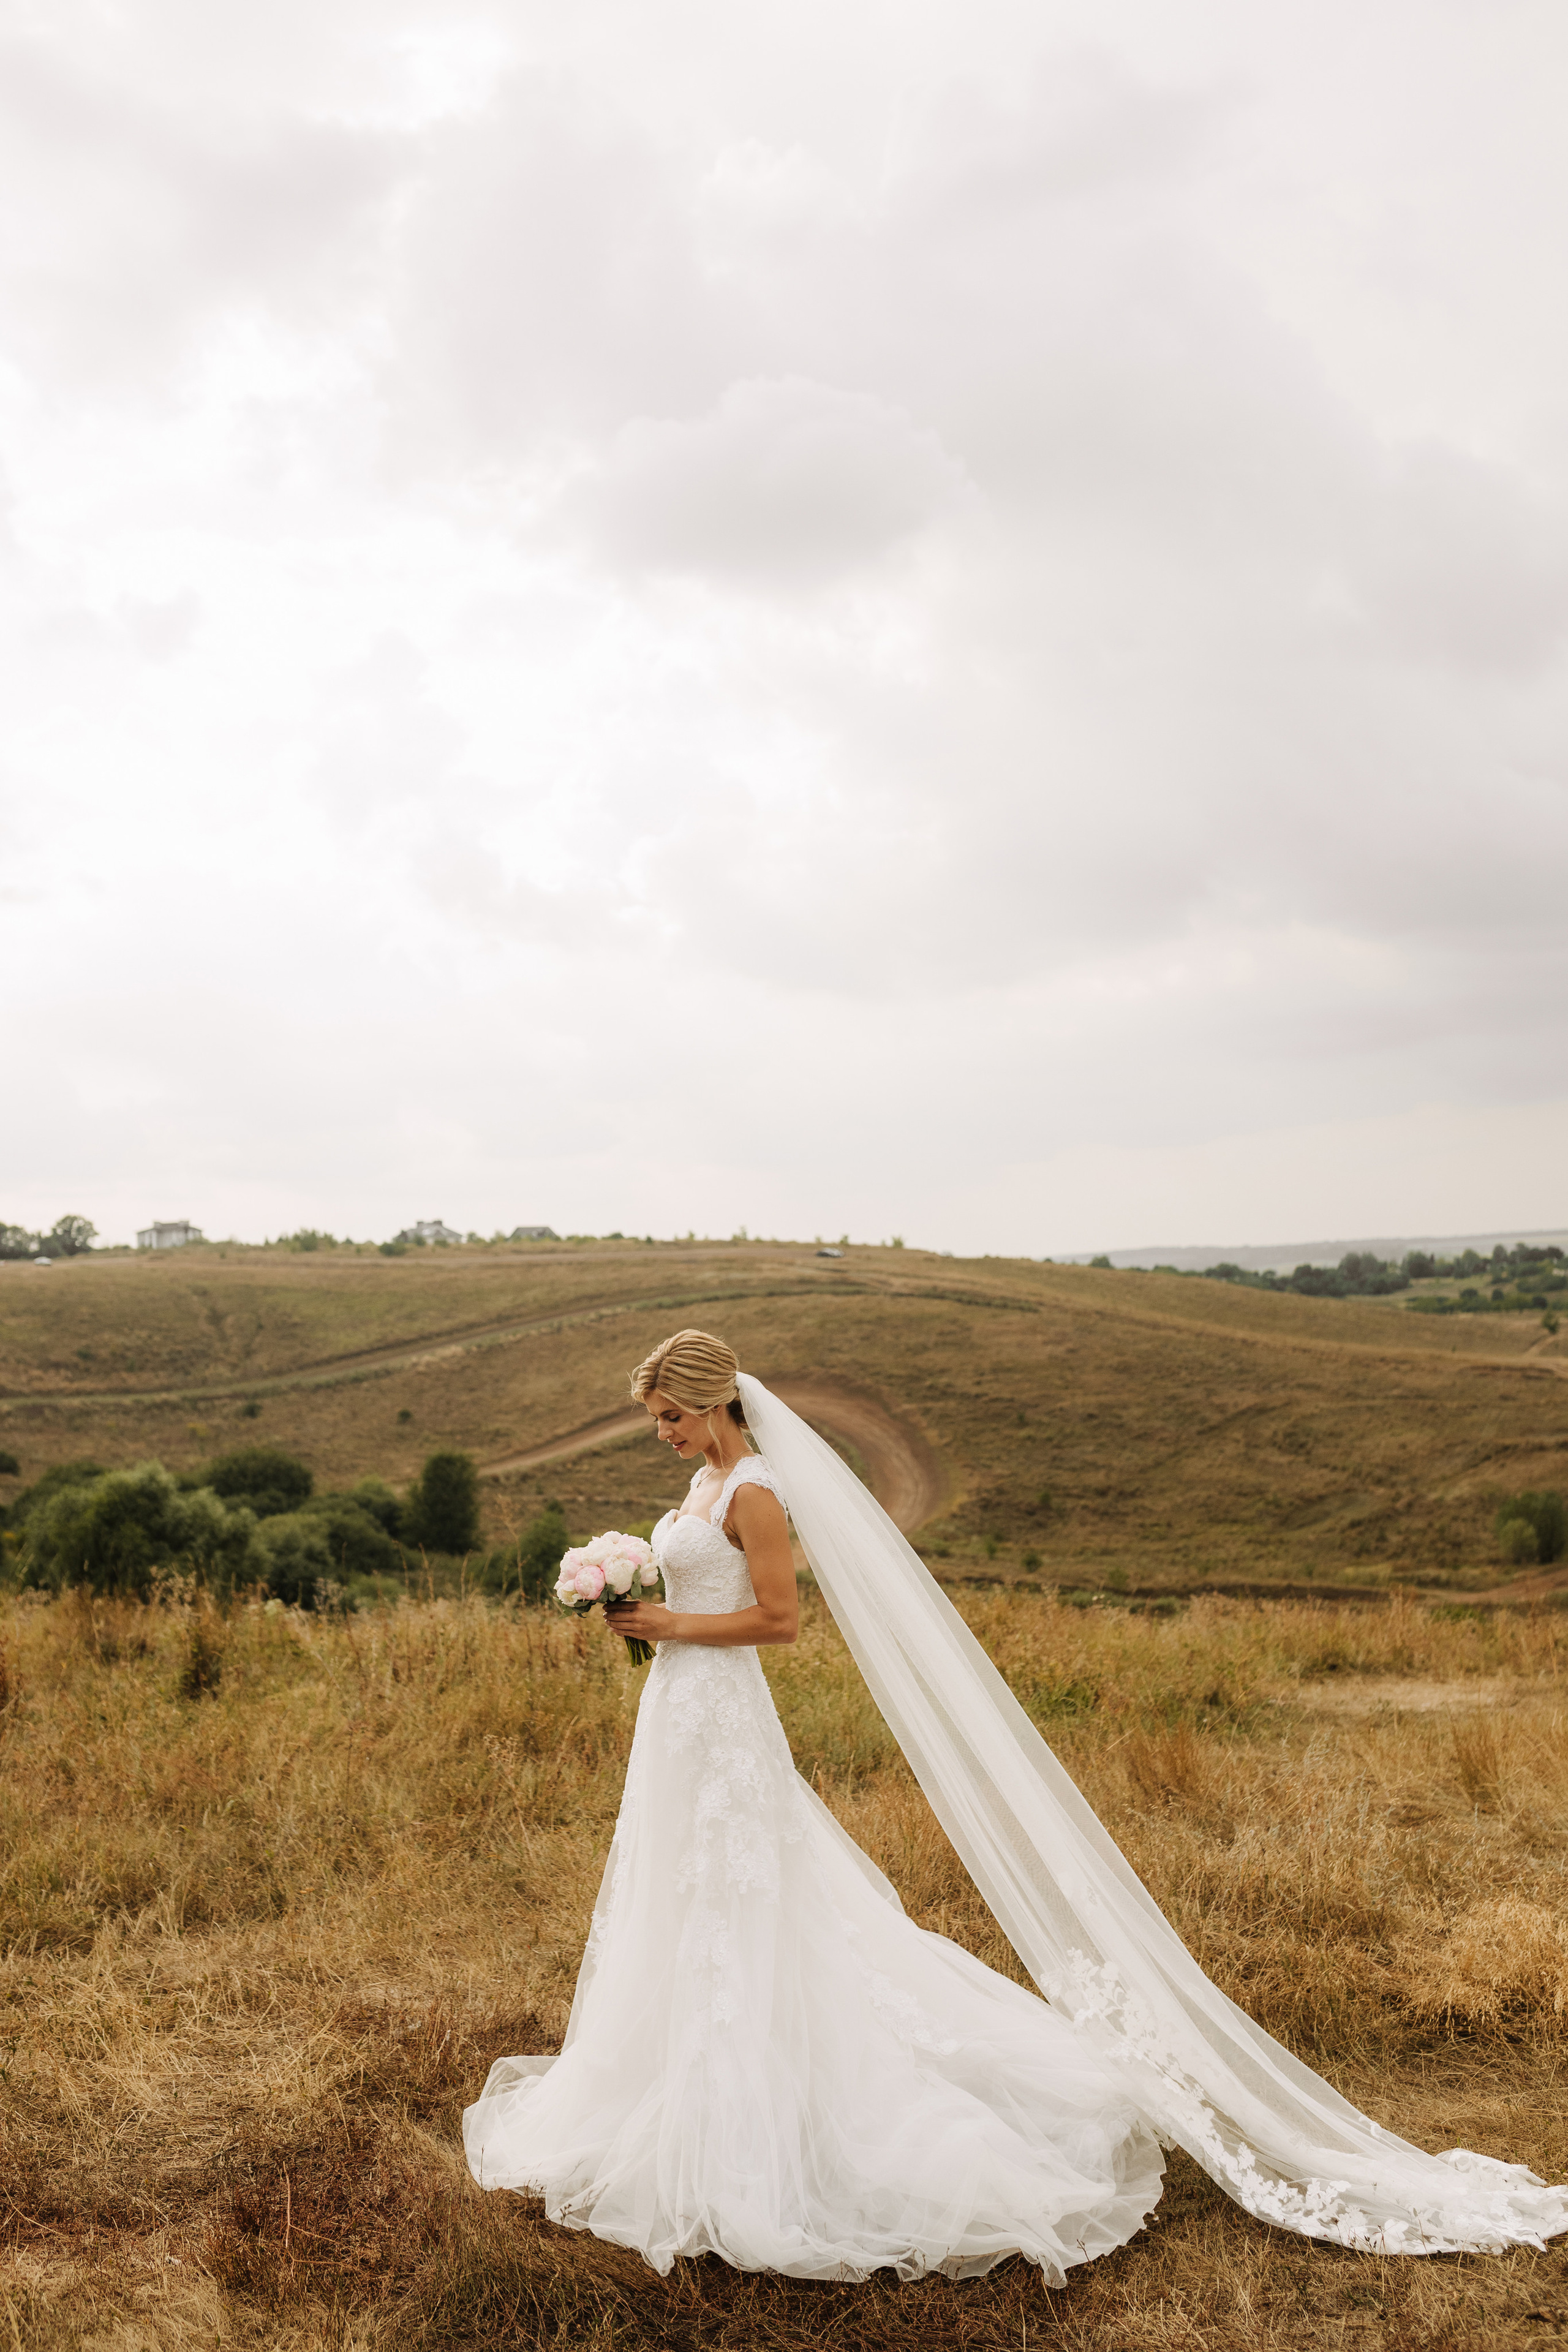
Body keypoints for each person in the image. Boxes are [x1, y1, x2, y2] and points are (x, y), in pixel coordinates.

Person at [464, 1329, 1568, 2277]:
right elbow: (698, 1581)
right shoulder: (703, 1486)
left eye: (668, 1416)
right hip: (680, 1713)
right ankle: (679, 2083)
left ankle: (779, 2105)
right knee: (680, 1887)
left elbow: (784, 1622)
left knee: (751, 1890)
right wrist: (640, 1599)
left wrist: (673, 1627)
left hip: (723, 1704)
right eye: (655, 1421)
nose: (661, 1433)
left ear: (712, 1405)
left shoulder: (755, 1488)